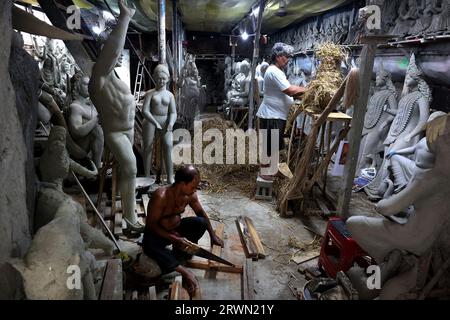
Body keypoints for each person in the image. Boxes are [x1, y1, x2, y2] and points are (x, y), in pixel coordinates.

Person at [89, 0, 143, 231]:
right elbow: (110, 54)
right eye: (115, 54)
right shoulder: (98, 80)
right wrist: (125, 18)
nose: (118, 56)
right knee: (131, 167)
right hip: (115, 132)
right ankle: (130, 221)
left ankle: (128, 211)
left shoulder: (114, 80)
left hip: (128, 130)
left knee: (126, 171)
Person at [143, 165, 224, 294]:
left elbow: (201, 213)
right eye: (193, 186)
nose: (195, 189)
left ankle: (180, 254)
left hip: (176, 229)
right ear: (182, 184)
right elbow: (151, 225)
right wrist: (174, 238)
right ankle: (184, 271)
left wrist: (212, 235)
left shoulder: (190, 195)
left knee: (200, 223)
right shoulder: (161, 196)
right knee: (148, 244)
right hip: (158, 232)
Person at [256, 42, 306, 179]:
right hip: (272, 115)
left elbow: (288, 89)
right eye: (285, 56)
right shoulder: (273, 71)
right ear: (278, 56)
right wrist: (309, 89)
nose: (288, 59)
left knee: (274, 145)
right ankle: (265, 171)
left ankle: (273, 169)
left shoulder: (277, 71)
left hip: (275, 114)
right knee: (270, 145)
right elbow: (289, 90)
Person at [142, 64, 177, 183]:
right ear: (155, 78)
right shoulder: (150, 93)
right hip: (151, 120)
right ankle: (146, 176)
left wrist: (171, 123)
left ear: (167, 79)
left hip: (166, 121)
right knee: (147, 147)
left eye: (164, 78)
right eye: (159, 78)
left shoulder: (170, 95)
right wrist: (154, 122)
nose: (161, 81)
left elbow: (173, 112)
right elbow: (145, 111)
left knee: (168, 145)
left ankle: (170, 176)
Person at [67, 72, 104, 170]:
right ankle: (97, 169)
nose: (89, 86)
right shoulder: (75, 107)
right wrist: (97, 119)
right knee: (96, 129)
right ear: (77, 87)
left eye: (90, 84)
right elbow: (76, 132)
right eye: (86, 84)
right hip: (78, 147)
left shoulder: (92, 106)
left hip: (95, 145)